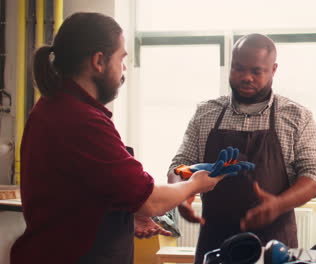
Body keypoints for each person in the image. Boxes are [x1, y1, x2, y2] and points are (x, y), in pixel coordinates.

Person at [10, 12, 237, 264]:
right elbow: (151, 200)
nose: (124, 69)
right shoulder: (81, 120)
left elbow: (78, 193)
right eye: (122, 58)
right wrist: (195, 184)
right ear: (99, 61)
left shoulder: (55, 106)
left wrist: (125, 215)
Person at [168, 33, 316, 263]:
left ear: (273, 70)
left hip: (274, 249)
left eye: (256, 71)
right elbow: (180, 165)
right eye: (238, 68)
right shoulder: (205, 113)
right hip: (215, 246)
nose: (246, 77)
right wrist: (180, 193)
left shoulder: (296, 116)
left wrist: (278, 205)